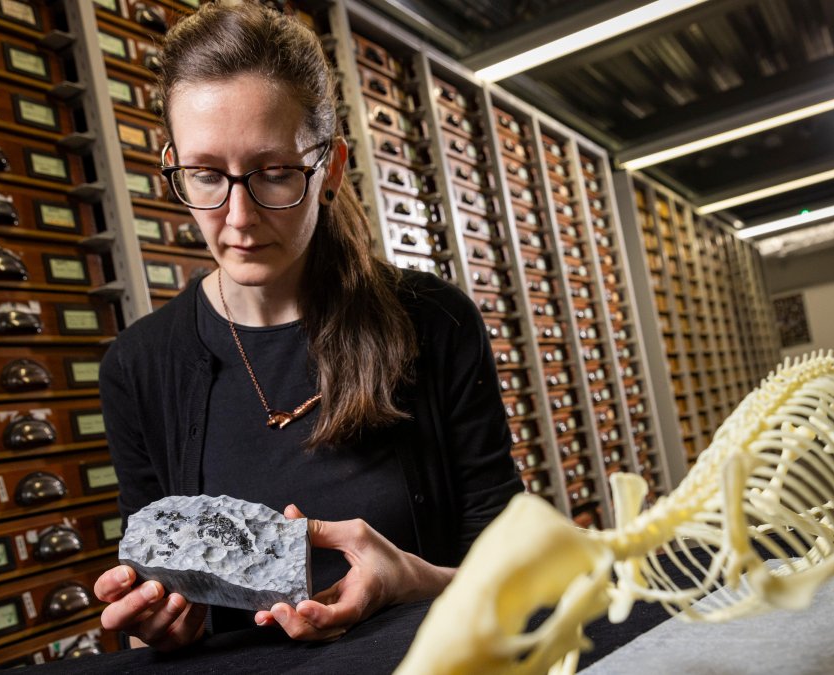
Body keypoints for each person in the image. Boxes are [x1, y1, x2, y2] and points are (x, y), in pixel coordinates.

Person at [92, 0, 520, 651]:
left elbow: (518, 575)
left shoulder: (434, 322)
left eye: (274, 174)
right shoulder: (137, 367)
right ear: (174, 164)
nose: (238, 217)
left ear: (331, 167)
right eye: (205, 175)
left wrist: (416, 582)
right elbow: (154, 600)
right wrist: (159, 627)